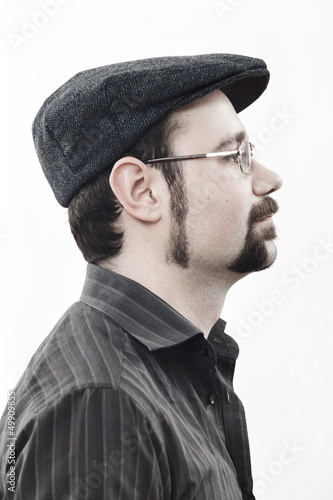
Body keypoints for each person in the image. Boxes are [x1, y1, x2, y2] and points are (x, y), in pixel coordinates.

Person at [0, 53, 282, 499]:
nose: (269, 179)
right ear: (141, 191)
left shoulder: (170, 373)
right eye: (235, 156)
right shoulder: (100, 403)